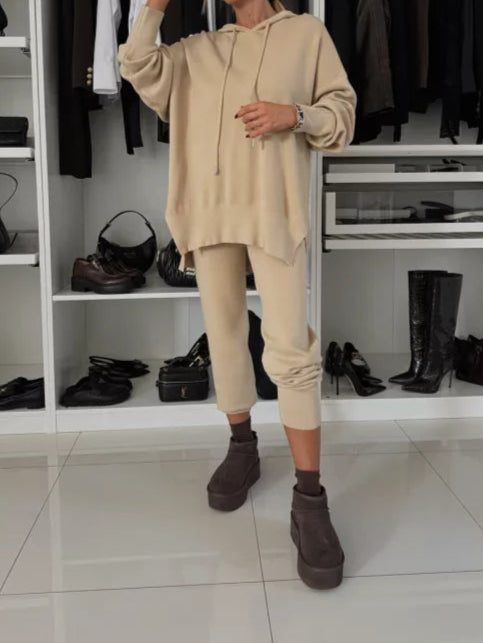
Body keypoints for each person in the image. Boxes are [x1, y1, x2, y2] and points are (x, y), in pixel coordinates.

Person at [117, 0, 356, 590]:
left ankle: (309, 499)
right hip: (208, 213)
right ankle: (242, 445)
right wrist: (154, 7)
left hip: (274, 212)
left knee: (290, 347)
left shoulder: (305, 34)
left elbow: (341, 117)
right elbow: (137, 64)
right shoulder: (197, 49)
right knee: (224, 336)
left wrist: (293, 115)